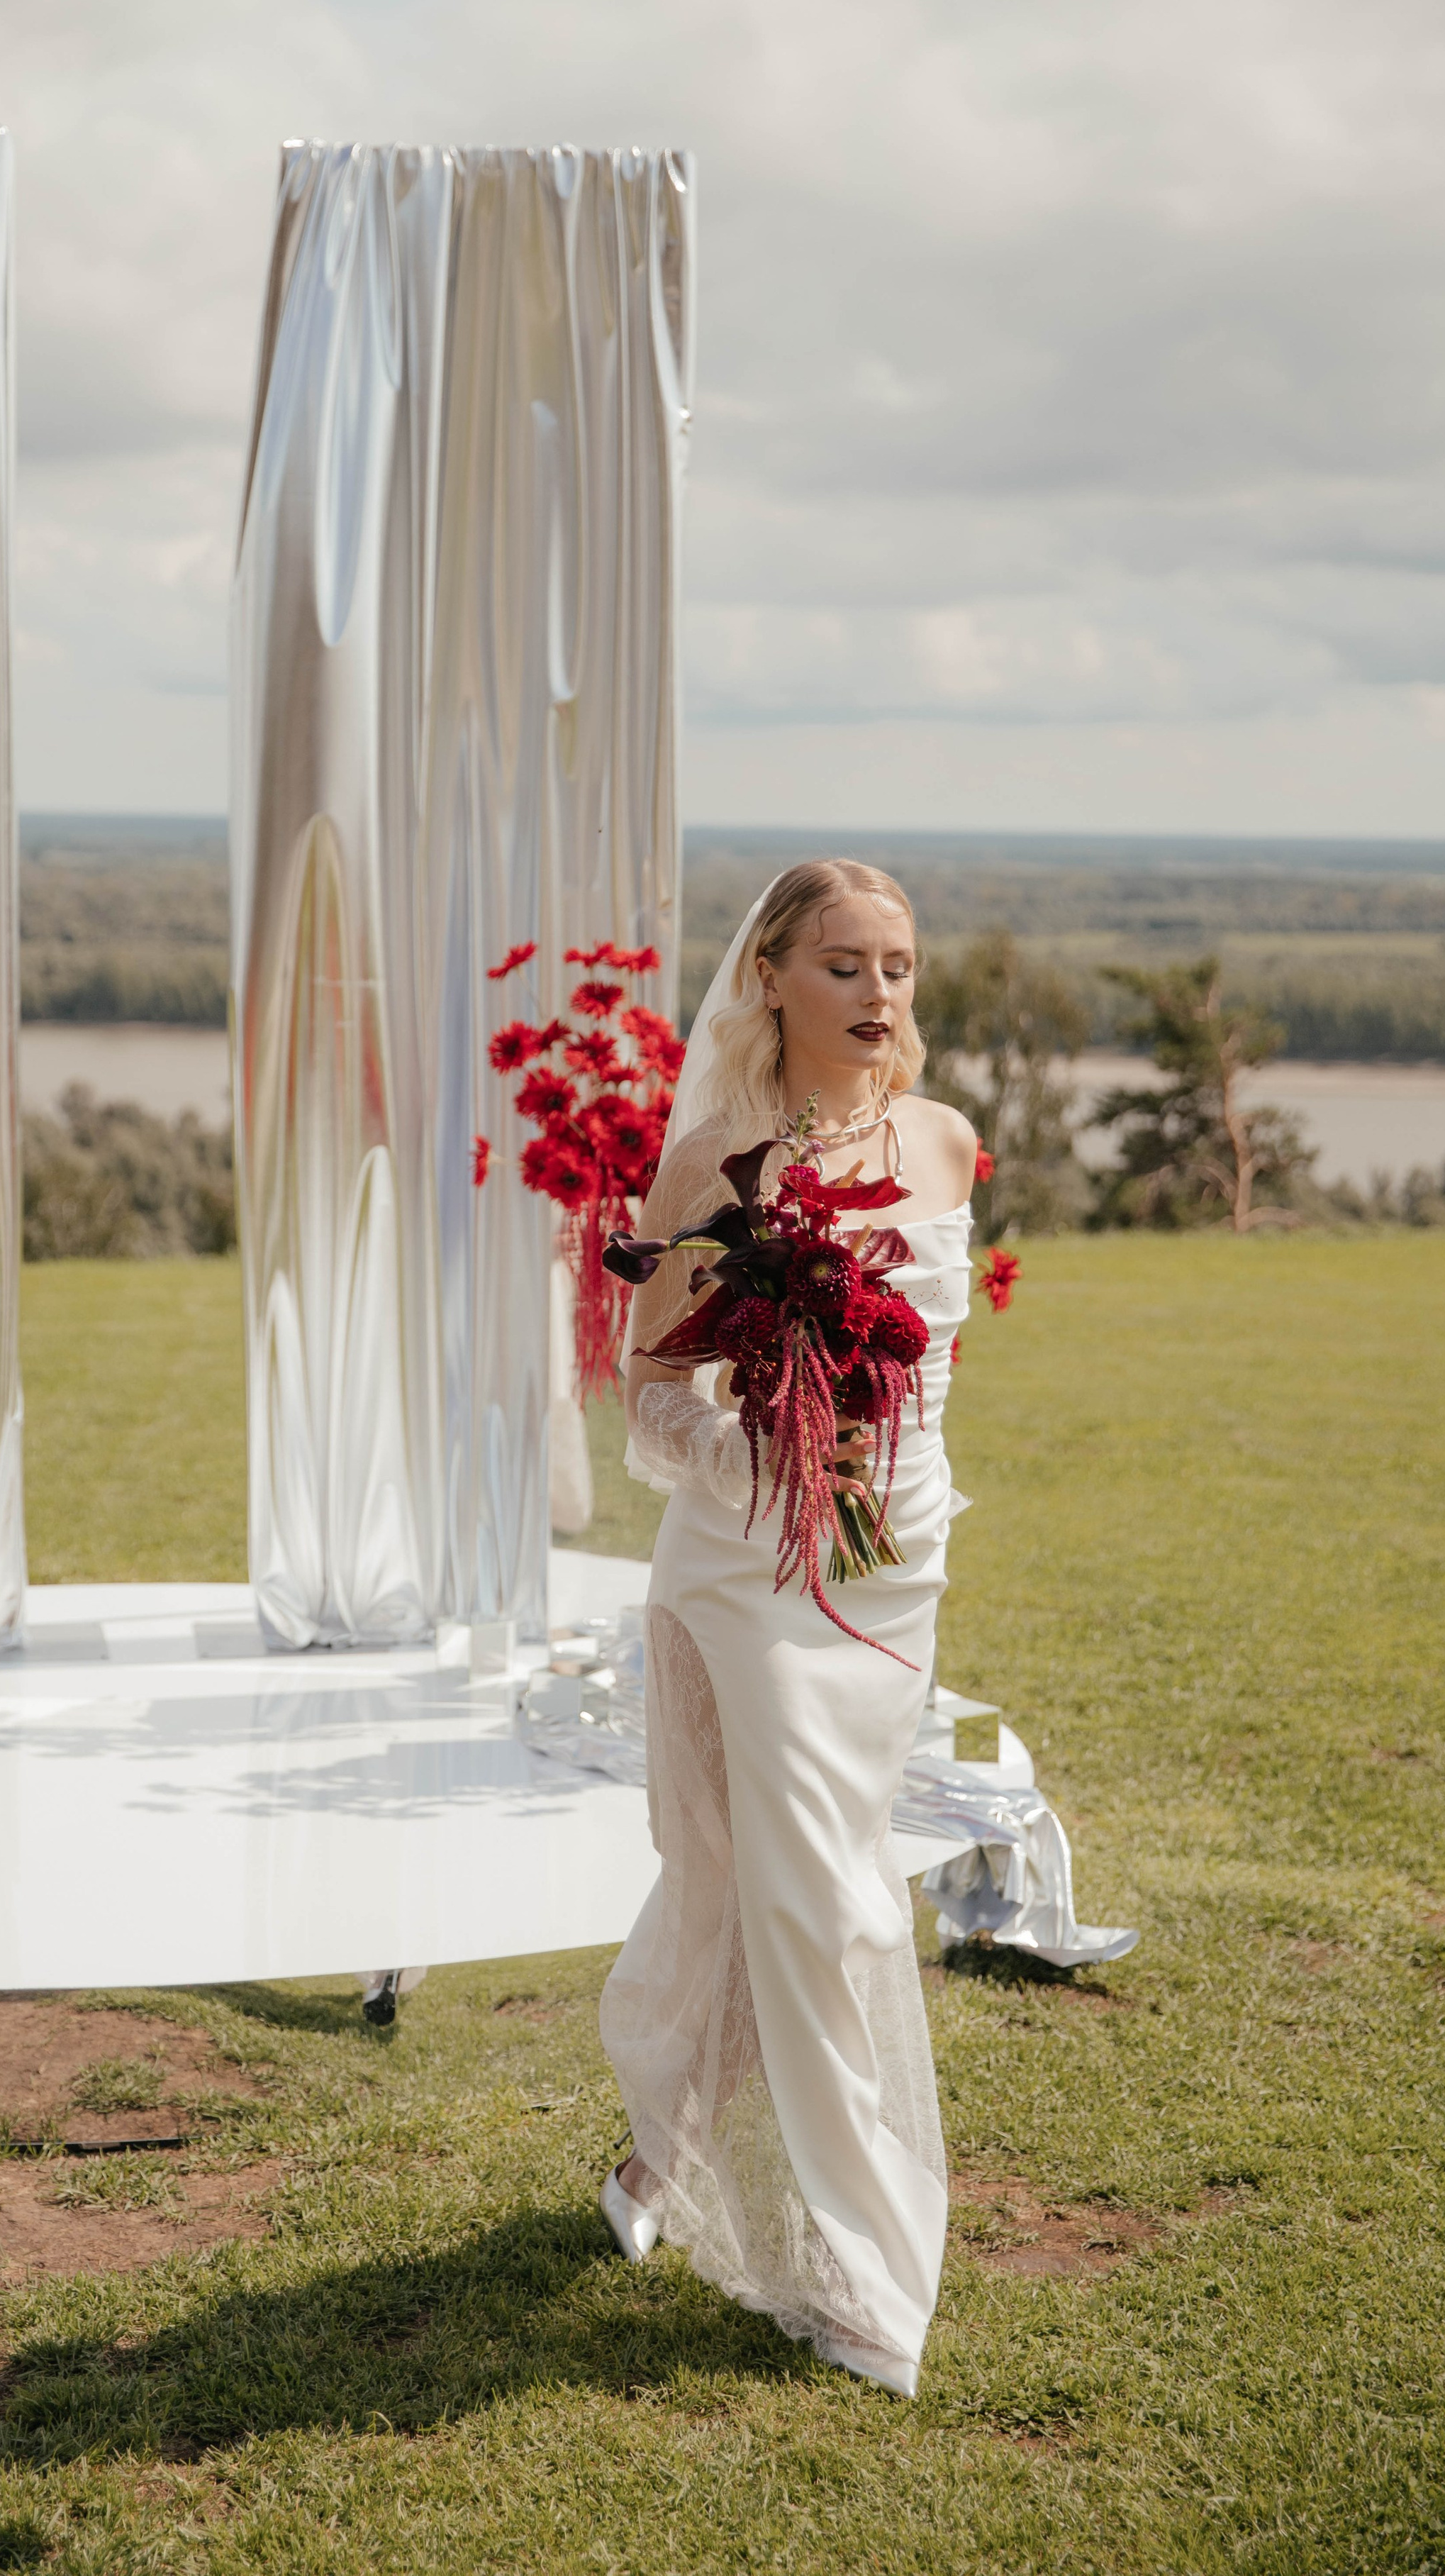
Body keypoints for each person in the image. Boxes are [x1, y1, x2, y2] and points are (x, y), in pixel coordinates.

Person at [597, 857, 977, 2397]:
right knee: (829, 1906)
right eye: (841, 966)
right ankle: (865, 2277)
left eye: (893, 967)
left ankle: (657, 2158)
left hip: (894, 1575)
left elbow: (941, 1366)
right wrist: (761, 1446)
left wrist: (874, 1464)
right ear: (767, 975)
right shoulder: (710, 1162)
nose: (875, 995)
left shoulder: (945, 1145)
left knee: (756, 1895)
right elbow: (645, 1390)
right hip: (751, 1570)